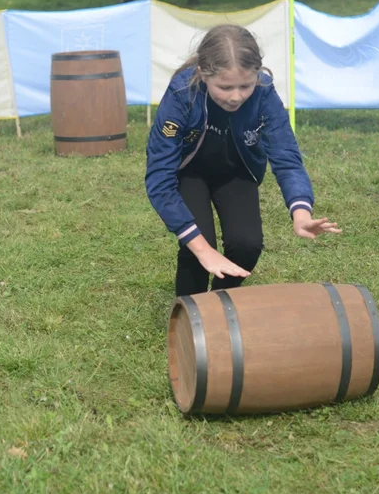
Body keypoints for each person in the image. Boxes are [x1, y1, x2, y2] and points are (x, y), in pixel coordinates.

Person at [146, 25, 340, 297]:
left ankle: (218, 306)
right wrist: (203, 249)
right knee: (199, 245)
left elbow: (286, 158)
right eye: (225, 87)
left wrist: (301, 214)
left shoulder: (264, 93)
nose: (236, 96)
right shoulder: (181, 95)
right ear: (203, 74)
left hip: (236, 171)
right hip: (189, 172)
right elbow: (159, 179)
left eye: (245, 85)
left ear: (257, 76)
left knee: (247, 245)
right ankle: (188, 319)